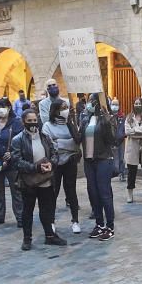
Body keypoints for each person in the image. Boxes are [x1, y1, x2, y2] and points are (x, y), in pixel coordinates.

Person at [11, 109, 67, 250]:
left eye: (34, 120)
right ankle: (27, 238)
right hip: (29, 181)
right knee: (27, 210)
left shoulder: (45, 137)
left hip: (46, 180)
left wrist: (51, 164)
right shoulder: (18, 139)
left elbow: (54, 153)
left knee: (47, 209)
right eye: (29, 121)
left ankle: (50, 235)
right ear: (24, 122)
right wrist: (36, 168)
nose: (32, 123)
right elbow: (17, 161)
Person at [42, 97, 82, 234]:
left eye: (66, 108)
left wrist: (60, 143)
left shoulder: (70, 124)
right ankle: (51, 221)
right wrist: (67, 144)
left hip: (70, 161)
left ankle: (75, 221)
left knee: (71, 191)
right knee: (53, 192)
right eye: (63, 108)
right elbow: (50, 145)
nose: (66, 110)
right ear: (56, 111)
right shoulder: (47, 126)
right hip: (55, 163)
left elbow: (76, 143)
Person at [81, 93, 118, 240]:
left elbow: (112, 140)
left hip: (103, 159)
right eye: (89, 101)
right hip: (89, 161)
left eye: (92, 101)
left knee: (104, 193)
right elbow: (78, 137)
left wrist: (107, 121)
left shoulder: (106, 120)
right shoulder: (85, 119)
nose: (89, 103)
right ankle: (99, 224)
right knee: (93, 193)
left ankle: (110, 226)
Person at [0, 96, 24, 227]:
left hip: (11, 162)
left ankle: (20, 216)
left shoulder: (16, 122)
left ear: (9, 107)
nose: (1, 110)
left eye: (3, 107)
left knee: (16, 190)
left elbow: (22, 141)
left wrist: (12, 153)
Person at [109, 96, 126, 180]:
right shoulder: (108, 116)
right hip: (111, 140)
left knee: (121, 157)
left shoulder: (122, 116)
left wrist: (122, 135)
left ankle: (122, 173)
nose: (114, 106)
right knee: (113, 157)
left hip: (121, 140)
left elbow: (124, 128)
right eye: (113, 104)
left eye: (116, 104)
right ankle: (114, 172)